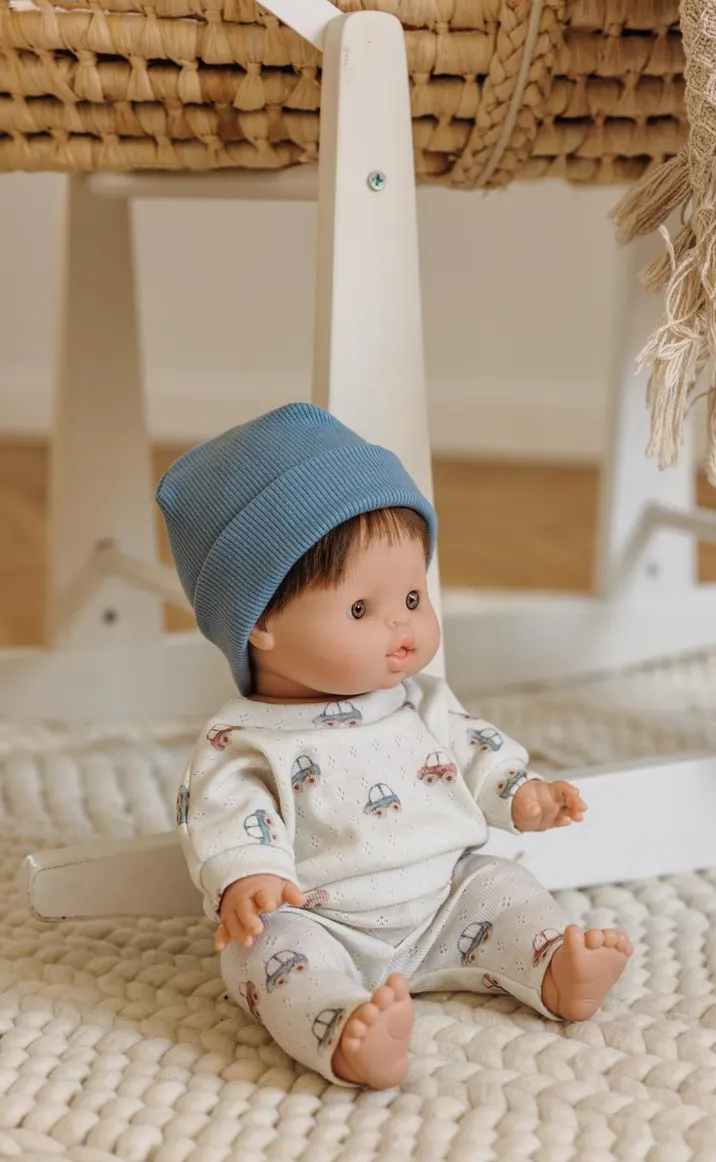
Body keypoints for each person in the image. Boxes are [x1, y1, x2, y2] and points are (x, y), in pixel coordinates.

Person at [157, 403, 632, 1088]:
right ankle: (343, 1028)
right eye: (361, 609)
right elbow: (224, 813)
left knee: (502, 885)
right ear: (260, 622)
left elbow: (475, 748)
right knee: (264, 954)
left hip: (445, 903)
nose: (402, 628)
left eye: (412, 598)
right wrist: (247, 876)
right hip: (321, 920)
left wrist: (521, 793)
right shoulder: (244, 739)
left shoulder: (424, 700)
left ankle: (556, 968)